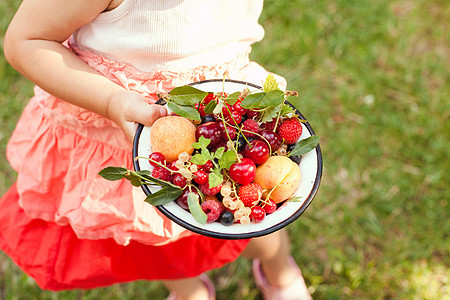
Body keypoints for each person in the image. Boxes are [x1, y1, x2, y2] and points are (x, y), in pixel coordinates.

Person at [1, 0, 312, 299]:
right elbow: (26, 40)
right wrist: (112, 101)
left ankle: (279, 271)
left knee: (257, 207)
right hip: (126, 133)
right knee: (151, 239)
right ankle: (191, 291)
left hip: (229, 126)